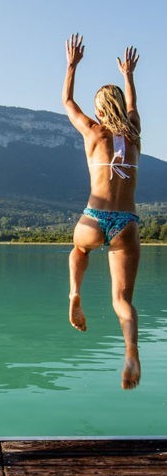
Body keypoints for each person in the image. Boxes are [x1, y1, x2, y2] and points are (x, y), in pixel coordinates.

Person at [62, 34, 141, 390]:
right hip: (126, 223)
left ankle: (74, 293)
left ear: (99, 111)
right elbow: (132, 106)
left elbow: (66, 101)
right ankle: (130, 352)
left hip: (93, 219)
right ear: (121, 107)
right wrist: (128, 75)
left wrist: (72, 65)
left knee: (79, 250)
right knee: (122, 299)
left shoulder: (93, 132)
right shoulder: (135, 134)